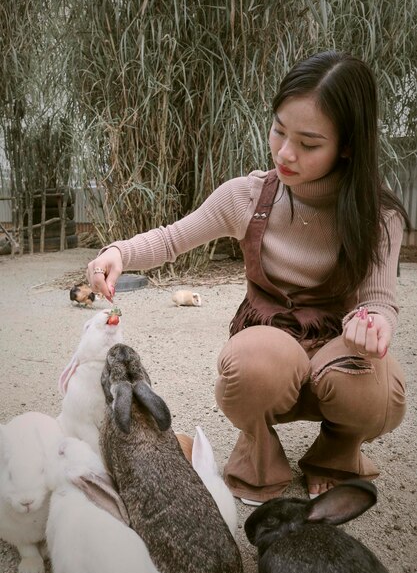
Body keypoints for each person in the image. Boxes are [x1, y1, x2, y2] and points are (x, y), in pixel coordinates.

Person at [87, 50, 409, 505]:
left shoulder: (379, 213)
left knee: (379, 391)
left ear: (348, 145)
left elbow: (379, 299)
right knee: (254, 363)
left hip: (338, 352)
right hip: (270, 346)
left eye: (309, 143)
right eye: (279, 129)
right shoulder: (248, 196)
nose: (285, 152)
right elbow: (171, 239)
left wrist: (373, 327)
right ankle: (259, 454)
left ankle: (337, 453)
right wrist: (118, 252)